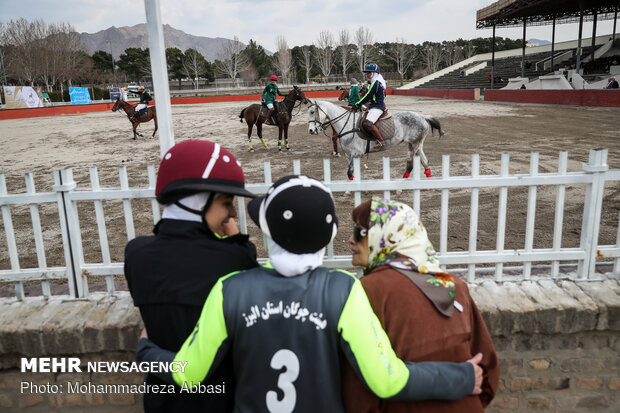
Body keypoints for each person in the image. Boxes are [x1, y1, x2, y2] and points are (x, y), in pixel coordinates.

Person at [136, 175, 484, 412]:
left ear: (268, 231)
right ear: (329, 234)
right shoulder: (343, 290)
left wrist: (146, 349)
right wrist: (462, 376)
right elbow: (386, 380)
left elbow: (188, 374)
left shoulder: (229, 289)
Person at [124, 140, 259, 413]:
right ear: (198, 200)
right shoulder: (234, 257)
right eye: (226, 202)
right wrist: (234, 236)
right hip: (220, 397)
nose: (233, 213)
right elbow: (247, 260)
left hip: (162, 397)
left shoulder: (136, 253)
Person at [342, 197, 500, 413]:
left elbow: (359, 387)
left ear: (386, 236)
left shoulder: (368, 291)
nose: (350, 239)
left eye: (359, 232)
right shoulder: (455, 286)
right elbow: (487, 369)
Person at [352, 63, 388, 148]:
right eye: (367, 73)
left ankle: (381, 140)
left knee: (367, 123)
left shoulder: (376, 83)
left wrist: (357, 104)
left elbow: (368, 95)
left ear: (374, 73)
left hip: (377, 107)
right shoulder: (377, 82)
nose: (367, 74)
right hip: (373, 105)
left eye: (368, 73)